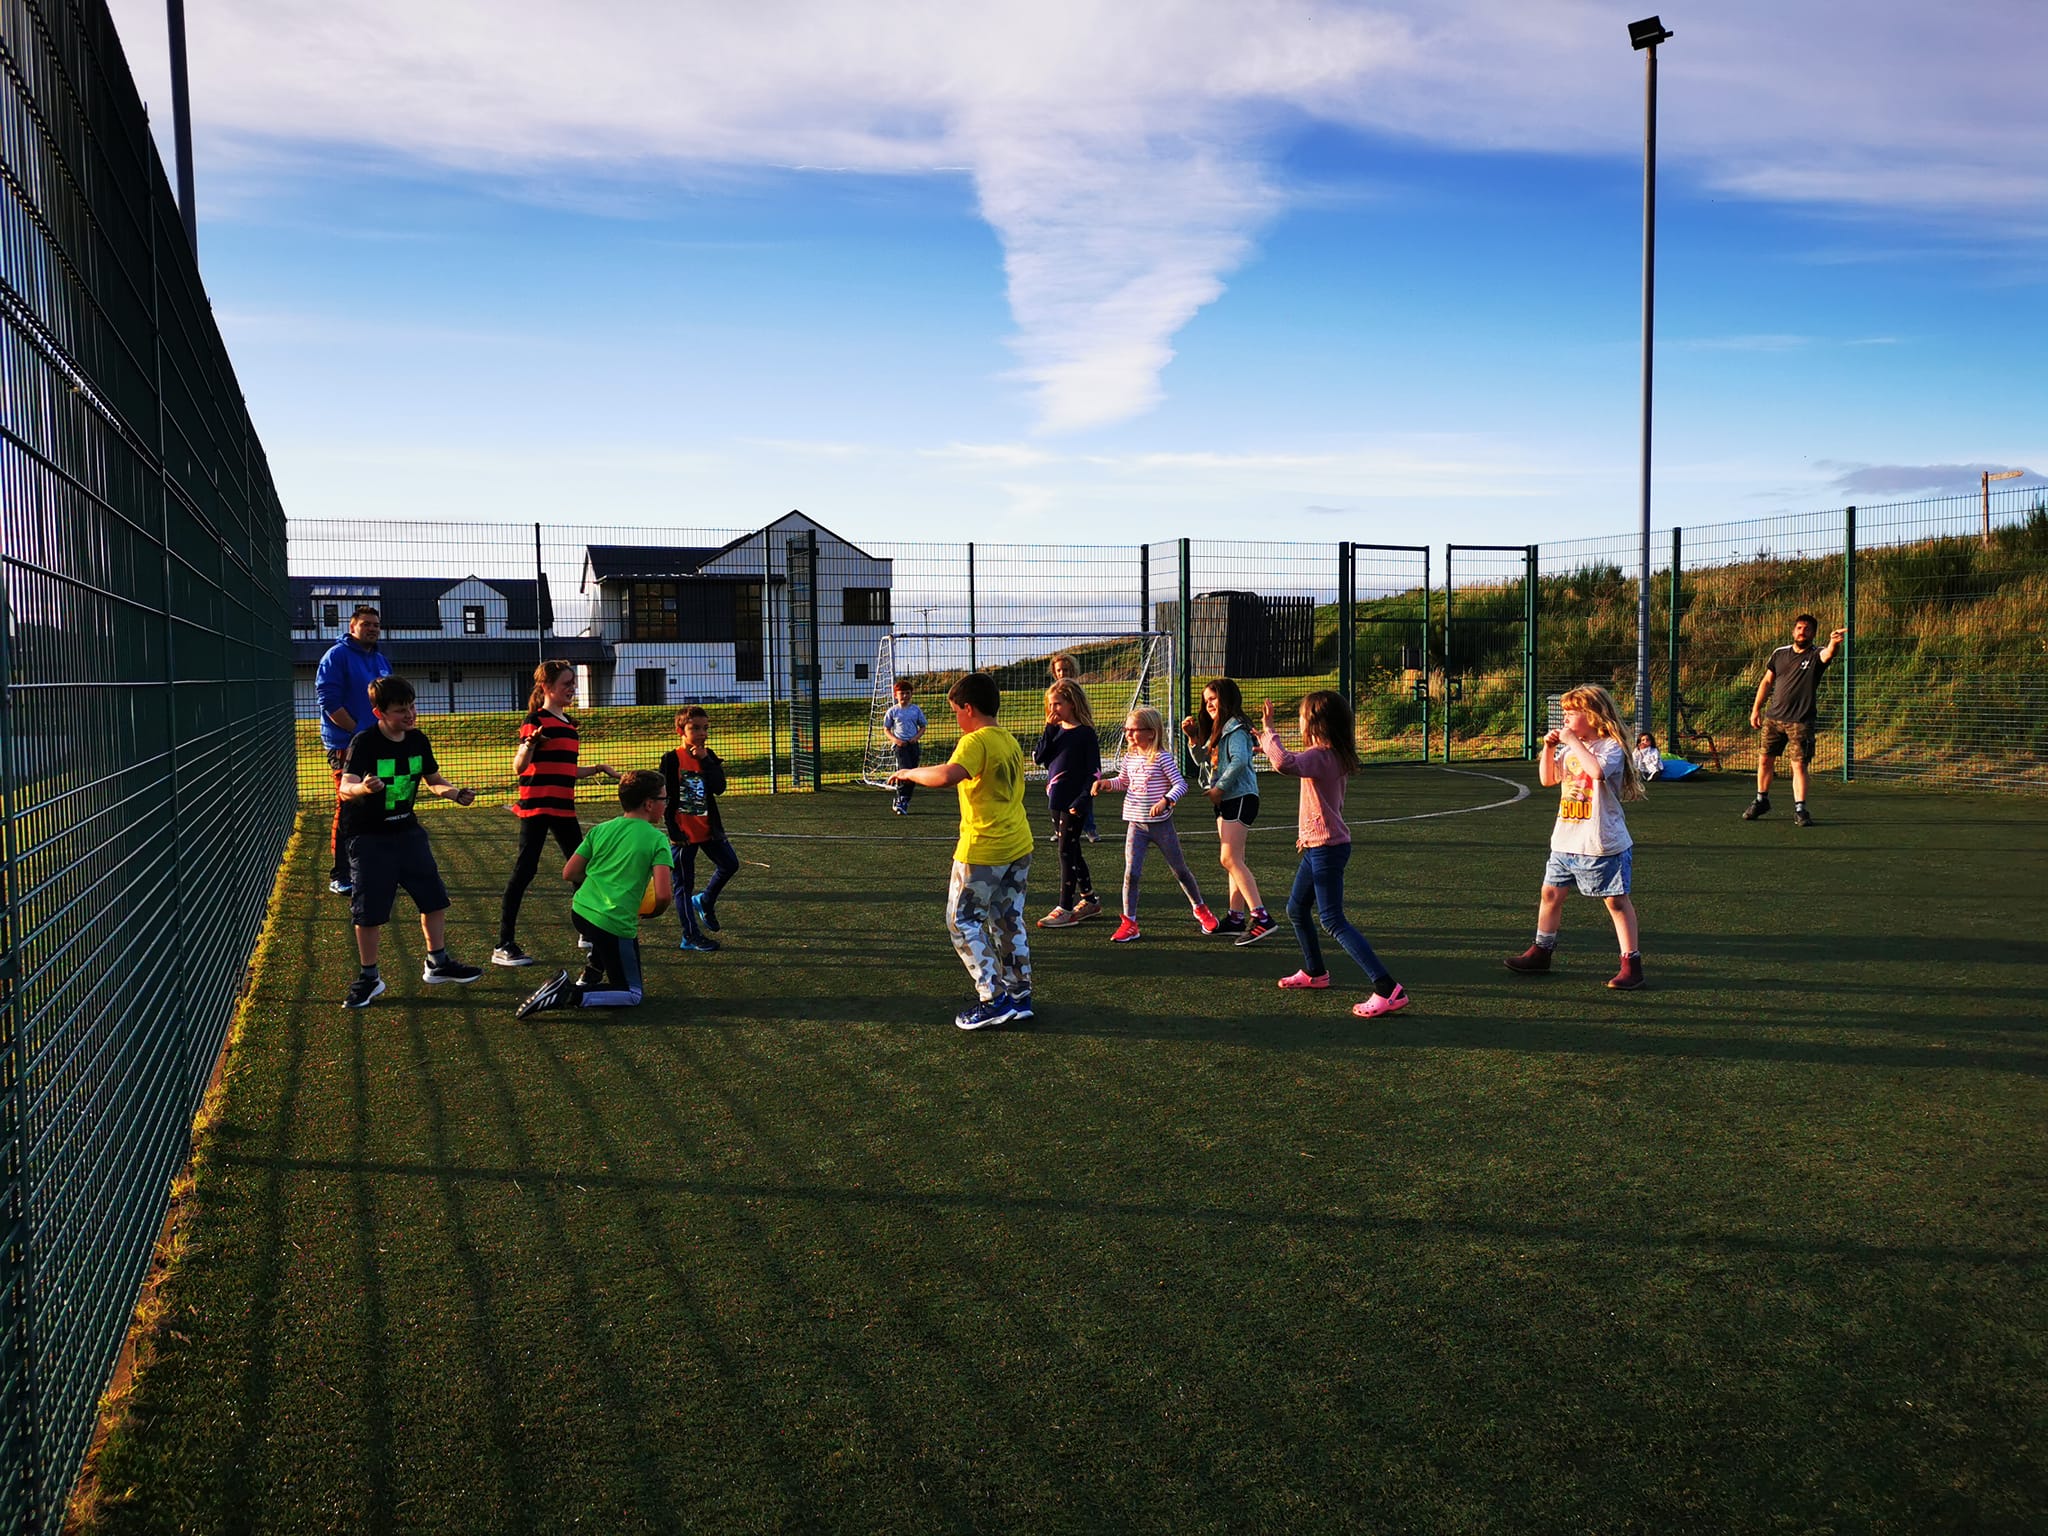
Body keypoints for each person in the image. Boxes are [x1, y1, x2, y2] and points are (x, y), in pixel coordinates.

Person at [886, 672, 1034, 1031]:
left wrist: (910, 773)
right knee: (1007, 918)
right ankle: (1019, 995)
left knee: (962, 921)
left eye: (955, 711)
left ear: (968, 708)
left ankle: (993, 999)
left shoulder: (976, 740)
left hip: (984, 849)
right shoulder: (1007, 739)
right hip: (1018, 844)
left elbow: (947, 775)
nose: (956, 718)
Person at [1257, 690, 1409, 1017]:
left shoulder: (1322, 757)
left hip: (1326, 849)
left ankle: (1388, 988)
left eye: (1301, 717)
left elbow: (1285, 763)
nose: (1298, 722)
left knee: (1332, 920)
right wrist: (1272, 745)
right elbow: (1298, 761)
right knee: (1297, 909)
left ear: (1316, 723)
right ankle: (1315, 973)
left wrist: (1269, 732)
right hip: (1320, 847)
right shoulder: (1332, 754)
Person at [336, 675, 482, 1009]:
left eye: (412, 706)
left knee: (434, 899)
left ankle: (437, 962)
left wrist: (455, 793)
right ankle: (369, 978)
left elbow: (433, 781)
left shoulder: (418, 740)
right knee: (368, 912)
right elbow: (345, 788)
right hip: (369, 837)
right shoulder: (365, 742)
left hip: (408, 832)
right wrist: (364, 788)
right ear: (379, 713)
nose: (410, 714)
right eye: (401, 710)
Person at [1504, 684, 1648, 990]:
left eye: (1572, 713)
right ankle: (1541, 951)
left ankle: (1631, 963)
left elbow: (1596, 773)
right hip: (1565, 840)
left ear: (1593, 715)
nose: (1565, 718)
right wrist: (1550, 748)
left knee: (1615, 901)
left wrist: (1570, 740)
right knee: (1550, 894)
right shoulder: (1571, 747)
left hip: (1600, 842)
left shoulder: (1610, 747)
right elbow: (1547, 779)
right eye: (1565, 712)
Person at [516, 770, 674, 1017]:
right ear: (649, 804)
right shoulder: (657, 839)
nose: (667, 804)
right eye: (664, 799)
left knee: (602, 933)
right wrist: (654, 911)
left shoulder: (601, 829)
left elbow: (569, 873)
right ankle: (568, 994)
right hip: (613, 923)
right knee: (632, 993)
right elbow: (664, 895)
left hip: (580, 912)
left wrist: (600, 885)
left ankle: (589, 975)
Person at [493, 660, 618, 967]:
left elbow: (566, 770)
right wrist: (530, 744)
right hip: (536, 808)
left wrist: (598, 768)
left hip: (563, 808)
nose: (572, 688)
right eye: (566, 684)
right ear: (547, 688)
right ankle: (503, 944)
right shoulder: (535, 721)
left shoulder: (570, 726)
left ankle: (587, 931)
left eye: (573, 683)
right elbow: (519, 766)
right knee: (525, 871)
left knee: (580, 869)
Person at [1093, 705, 1218, 943]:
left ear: (1151, 732)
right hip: (1136, 825)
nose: (1128, 734)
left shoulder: (1162, 758)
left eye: (1134, 729)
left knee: (1180, 870)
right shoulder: (1130, 757)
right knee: (1132, 873)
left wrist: (1166, 800)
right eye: (1126, 729)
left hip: (1161, 826)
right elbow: (1124, 782)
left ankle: (1200, 908)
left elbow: (1180, 785)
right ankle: (1129, 922)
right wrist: (1106, 784)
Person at [1181, 677, 1276, 944]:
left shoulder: (1235, 727)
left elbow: (1240, 761)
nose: (1208, 703)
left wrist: (1220, 788)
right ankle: (1236, 918)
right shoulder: (1217, 729)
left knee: (1229, 859)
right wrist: (1192, 739)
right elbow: (1203, 761)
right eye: (1206, 699)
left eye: (1213, 698)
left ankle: (1262, 917)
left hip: (1239, 796)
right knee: (1234, 861)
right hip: (1225, 799)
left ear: (1227, 699)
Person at [315, 605, 392, 896]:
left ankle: (373, 866)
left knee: (380, 800)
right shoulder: (336, 656)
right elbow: (329, 701)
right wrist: (358, 734)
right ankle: (341, 874)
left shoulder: (381, 659)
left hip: (380, 743)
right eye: (366, 624)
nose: (373, 629)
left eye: (376, 624)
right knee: (349, 805)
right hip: (345, 744)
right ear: (352, 627)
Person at [1744, 613, 1847, 827]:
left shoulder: (1816, 654)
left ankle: (1800, 809)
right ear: (1793, 631)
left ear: (1813, 633)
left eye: (1807, 629)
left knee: (1798, 765)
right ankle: (1761, 800)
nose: (1802, 631)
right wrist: (1756, 710)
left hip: (1800, 722)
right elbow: (1766, 682)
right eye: (1799, 628)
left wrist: (1834, 643)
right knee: (1764, 760)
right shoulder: (1779, 654)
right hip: (1773, 719)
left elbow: (1828, 654)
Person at [658, 706, 741, 951]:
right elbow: (666, 796)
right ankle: (690, 936)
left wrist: (706, 760)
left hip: (709, 830)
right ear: (680, 731)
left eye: (705, 728)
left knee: (730, 864)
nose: (702, 733)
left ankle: (705, 900)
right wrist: (672, 829)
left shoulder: (708, 755)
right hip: (684, 835)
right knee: (683, 884)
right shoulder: (671, 759)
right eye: (695, 728)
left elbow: (719, 787)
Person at [1034, 679, 1102, 928]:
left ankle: (1064, 907)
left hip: (1076, 801)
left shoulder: (1085, 733)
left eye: (1058, 704)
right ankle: (1090, 900)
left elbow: (1094, 771)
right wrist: (1049, 730)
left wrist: (1084, 798)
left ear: (1072, 703)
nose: (1053, 710)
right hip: (1056, 799)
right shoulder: (1055, 731)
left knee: (1065, 851)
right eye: (1050, 705)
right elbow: (1039, 757)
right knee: (1073, 850)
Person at [1050, 653, 1099, 844]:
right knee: (1058, 790)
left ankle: (1090, 827)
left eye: (1067, 670)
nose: (1063, 673)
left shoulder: (1076, 694)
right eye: (1059, 670)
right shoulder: (1054, 693)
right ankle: (1059, 828)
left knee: (1084, 788)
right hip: (1062, 750)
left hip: (1078, 749)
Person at [883, 680, 927, 815]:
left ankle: (905, 799)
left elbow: (923, 726)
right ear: (896, 695)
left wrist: (916, 738)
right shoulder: (893, 711)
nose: (905, 696)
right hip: (900, 747)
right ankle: (901, 798)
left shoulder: (915, 710)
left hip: (913, 745)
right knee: (905, 771)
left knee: (913, 774)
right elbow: (886, 729)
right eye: (902, 693)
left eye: (908, 693)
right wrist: (896, 740)